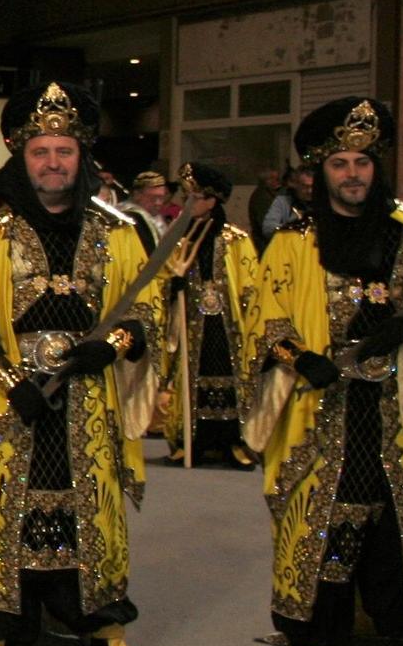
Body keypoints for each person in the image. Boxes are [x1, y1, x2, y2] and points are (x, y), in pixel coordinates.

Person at [0, 81, 162, 646]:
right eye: (42, 151)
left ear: (81, 155)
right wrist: (13, 382)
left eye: (64, 150)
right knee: (2, 512)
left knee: (92, 511)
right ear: (20, 154)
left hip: (90, 398)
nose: (54, 163)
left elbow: (145, 313)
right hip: (10, 398)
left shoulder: (116, 228)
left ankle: (105, 632)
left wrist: (109, 346)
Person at [247, 96, 403, 646]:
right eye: (340, 163)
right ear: (320, 172)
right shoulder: (296, 241)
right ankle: (315, 632)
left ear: (377, 168)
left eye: (363, 162)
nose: (353, 174)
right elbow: (266, 319)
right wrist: (301, 359)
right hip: (327, 408)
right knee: (328, 517)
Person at [158, 162, 258, 468]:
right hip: (190, 323)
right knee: (190, 374)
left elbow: (251, 285)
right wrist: (172, 288)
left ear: (212, 200)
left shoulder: (234, 240)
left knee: (229, 375)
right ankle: (191, 439)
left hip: (227, 324)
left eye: (194, 197)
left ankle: (233, 440)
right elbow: (160, 278)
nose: (187, 204)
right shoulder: (178, 239)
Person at [119, 167, 169, 254]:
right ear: (137, 195)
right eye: (153, 198)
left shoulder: (158, 219)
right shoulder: (123, 217)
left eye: (161, 198)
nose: (158, 203)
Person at [260, 165, 314, 242]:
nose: (309, 191)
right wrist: (293, 228)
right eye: (305, 186)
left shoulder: (324, 203)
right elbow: (268, 228)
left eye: (312, 187)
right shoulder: (283, 202)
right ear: (296, 185)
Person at [247, 167, 284, 252]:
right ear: (264, 181)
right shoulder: (262, 198)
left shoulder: (270, 195)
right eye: (271, 179)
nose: (276, 181)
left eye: (277, 178)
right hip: (266, 245)